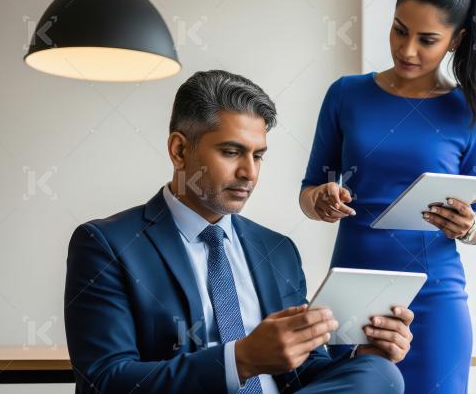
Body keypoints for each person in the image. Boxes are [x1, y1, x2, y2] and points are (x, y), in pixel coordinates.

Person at [64, 70, 414, 393]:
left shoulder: (278, 249)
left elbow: (302, 373)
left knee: (378, 373)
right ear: (179, 150)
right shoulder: (107, 245)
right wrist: (240, 359)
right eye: (231, 152)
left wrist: (361, 356)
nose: (249, 173)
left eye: (258, 156)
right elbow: (104, 381)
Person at [299, 0, 476, 392]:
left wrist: (468, 226)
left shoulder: (471, 111)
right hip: (351, 295)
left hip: (435, 298)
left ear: (456, 40)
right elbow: (309, 190)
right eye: (399, 29)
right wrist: (322, 199)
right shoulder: (346, 94)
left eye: (427, 40)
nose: (407, 50)